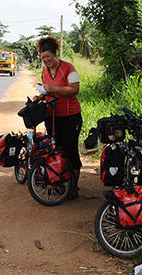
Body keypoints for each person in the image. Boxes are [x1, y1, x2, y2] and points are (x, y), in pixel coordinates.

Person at [36, 36, 82, 200]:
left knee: (71, 151)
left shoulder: (68, 68)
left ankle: (74, 187)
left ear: (55, 54)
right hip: (53, 117)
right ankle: (62, 183)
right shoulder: (44, 72)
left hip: (71, 116)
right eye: (43, 57)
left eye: (48, 56)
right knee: (57, 150)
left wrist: (52, 88)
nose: (46, 60)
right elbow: (47, 91)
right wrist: (40, 97)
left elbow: (74, 89)